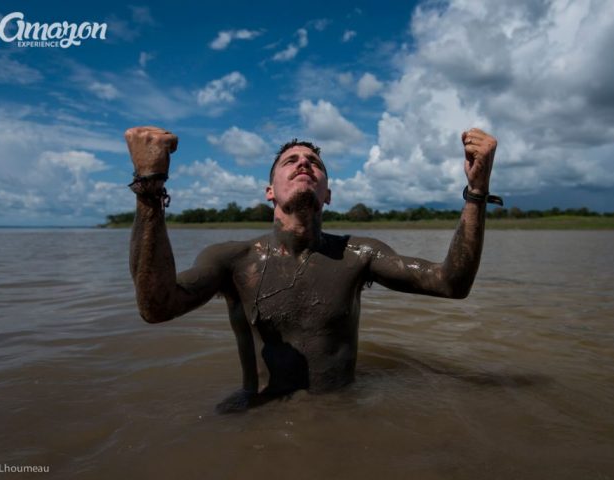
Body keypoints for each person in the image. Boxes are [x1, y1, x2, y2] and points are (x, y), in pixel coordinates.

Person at [125, 126, 501, 412]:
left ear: (328, 195)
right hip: (256, 415)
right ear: (269, 191)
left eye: (314, 163)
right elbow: (156, 306)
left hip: (341, 413)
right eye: (290, 162)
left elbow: (451, 283)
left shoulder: (358, 254)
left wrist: (477, 192)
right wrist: (149, 185)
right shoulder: (232, 259)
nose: (303, 163)